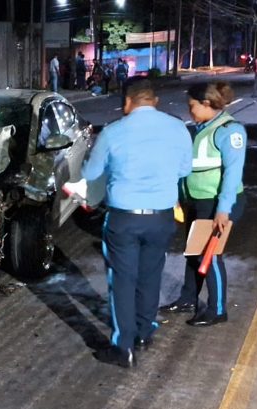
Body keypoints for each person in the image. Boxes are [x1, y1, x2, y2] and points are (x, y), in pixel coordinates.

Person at [81, 78, 192, 368]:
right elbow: (184, 169)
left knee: (122, 280)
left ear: (127, 102)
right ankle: (144, 333)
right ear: (154, 101)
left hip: (124, 218)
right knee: (150, 275)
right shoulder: (177, 127)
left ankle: (123, 346)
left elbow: (92, 172)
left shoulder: (114, 131)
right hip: (161, 217)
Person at [160, 82, 246, 327]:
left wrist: (223, 209)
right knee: (193, 252)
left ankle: (218, 309)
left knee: (210, 255)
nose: (190, 111)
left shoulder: (230, 130)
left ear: (207, 104)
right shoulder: (201, 127)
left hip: (217, 202)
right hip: (196, 201)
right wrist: (179, 195)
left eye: (192, 106)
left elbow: (232, 174)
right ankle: (188, 299)